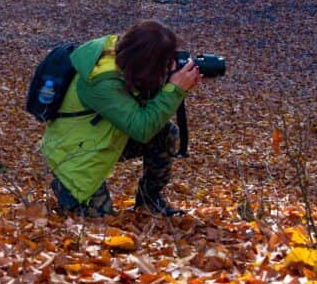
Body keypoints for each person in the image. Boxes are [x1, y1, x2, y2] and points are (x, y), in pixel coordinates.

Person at [40, 20, 202, 217]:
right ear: (146, 60)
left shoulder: (123, 59)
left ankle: (150, 200)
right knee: (100, 224)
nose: (167, 67)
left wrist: (169, 81)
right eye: (163, 63)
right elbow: (141, 129)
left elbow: (142, 109)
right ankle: (65, 189)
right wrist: (174, 90)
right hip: (71, 156)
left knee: (164, 133)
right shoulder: (100, 82)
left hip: (98, 139)